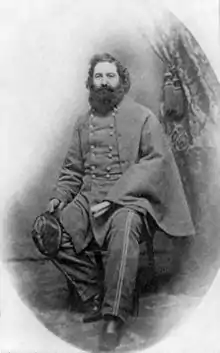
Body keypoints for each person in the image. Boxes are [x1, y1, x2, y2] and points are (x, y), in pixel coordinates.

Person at [44, 53, 195, 351]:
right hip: (89, 199)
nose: (103, 82)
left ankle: (114, 315)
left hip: (129, 200)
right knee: (46, 230)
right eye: (98, 76)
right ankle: (93, 292)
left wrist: (115, 199)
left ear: (121, 81)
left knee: (125, 227)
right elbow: (72, 171)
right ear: (90, 82)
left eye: (110, 76)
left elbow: (155, 162)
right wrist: (58, 197)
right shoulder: (81, 123)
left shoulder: (143, 117)